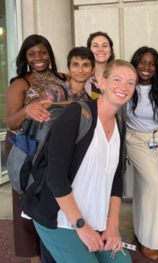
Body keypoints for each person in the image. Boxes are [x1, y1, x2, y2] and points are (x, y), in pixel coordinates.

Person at [22, 60, 136, 263]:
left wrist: (113, 226)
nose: (124, 87)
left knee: (122, 262)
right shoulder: (77, 114)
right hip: (60, 219)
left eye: (130, 83)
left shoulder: (119, 124)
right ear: (102, 81)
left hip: (95, 219)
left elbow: (116, 180)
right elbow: (55, 178)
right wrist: (81, 226)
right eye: (117, 79)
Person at [5, 34, 67, 263]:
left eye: (42, 52)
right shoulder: (20, 82)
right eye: (32, 54)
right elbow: (10, 122)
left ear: (49, 53)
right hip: (25, 148)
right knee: (26, 203)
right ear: (25, 57)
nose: (38, 58)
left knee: (53, 198)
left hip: (54, 149)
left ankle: (56, 247)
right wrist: (28, 109)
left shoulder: (64, 78)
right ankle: (33, 255)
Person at [126, 46, 158, 260]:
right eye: (142, 62)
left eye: (151, 63)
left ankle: (152, 229)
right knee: (153, 182)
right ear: (135, 64)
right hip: (135, 139)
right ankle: (149, 240)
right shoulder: (127, 86)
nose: (146, 67)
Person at [85, 31, 115, 99]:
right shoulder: (82, 76)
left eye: (105, 45)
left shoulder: (118, 76)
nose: (100, 49)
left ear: (110, 51)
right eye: (95, 46)